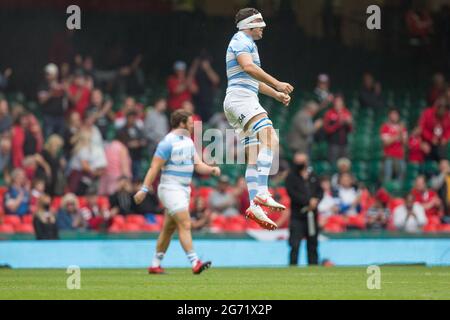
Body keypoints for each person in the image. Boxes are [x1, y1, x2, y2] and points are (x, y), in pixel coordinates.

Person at [223, 7, 293, 230]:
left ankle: (254, 204)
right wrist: (277, 83)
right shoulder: (242, 40)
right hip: (242, 100)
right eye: (260, 24)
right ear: (249, 25)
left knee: (253, 156)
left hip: (239, 99)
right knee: (271, 138)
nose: (263, 28)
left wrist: (276, 94)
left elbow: (251, 79)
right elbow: (248, 67)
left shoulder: (243, 41)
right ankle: (262, 192)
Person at [133, 110, 221, 275]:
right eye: (189, 122)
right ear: (181, 124)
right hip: (170, 188)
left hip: (183, 190)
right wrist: (143, 189)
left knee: (169, 228)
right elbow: (154, 167)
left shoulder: (187, 142)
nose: (192, 125)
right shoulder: (167, 142)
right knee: (185, 224)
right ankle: (195, 262)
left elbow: (197, 165)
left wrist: (211, 169)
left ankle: (155, 264)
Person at [285, 152, 322, 266]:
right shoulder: (291, 177)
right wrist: (308, 201)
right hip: (298, 216)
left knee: (313, 244)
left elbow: (320, 191)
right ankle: (293, 267)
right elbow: (293, 194)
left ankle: (313, 266)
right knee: (295, 245)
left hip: (311, 216)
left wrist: (316, 200)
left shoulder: (313, 176)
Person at [37, 63, 66, 138]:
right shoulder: (43, 85)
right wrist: (51, 92)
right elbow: (41, 101)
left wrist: (64, 88)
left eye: (50, 74)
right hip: (49, 117)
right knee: (48, 140)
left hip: (60, 117)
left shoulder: (61, 84)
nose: (48, 76)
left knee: (60, 140)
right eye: (47, 74)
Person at [191, 50, 221, 121]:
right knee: (197, 126)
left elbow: (216, 81)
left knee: (212, 125)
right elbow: (189, 83)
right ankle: (198, 132)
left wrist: (207, 68)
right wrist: (194, 65)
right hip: (197, 103)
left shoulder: (211, 69)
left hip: (209, 104)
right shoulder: (196, 70)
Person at [418, 95, 450, 162]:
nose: (442, 111)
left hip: (440, 143)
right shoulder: (427, 113)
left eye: (444, 109)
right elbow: (422, 128)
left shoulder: (447, 115)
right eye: (440, 108)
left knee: (444, 160)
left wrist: (445, 138)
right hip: (427, 142)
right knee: (427, 152)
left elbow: (448, 129)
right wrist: (430, 138)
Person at [323, 94, 352, 164]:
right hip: (333, 144)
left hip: (344, 144)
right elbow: (327, 129)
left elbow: (350, 129)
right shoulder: (329, 113)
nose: (338, 104)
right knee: (333, 163)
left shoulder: (346, 112)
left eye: (340, 102)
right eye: (337, 102)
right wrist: (338, 124)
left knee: (345, 164)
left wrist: (349, 123)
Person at [380, 108, 408, 182]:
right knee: (387, 178)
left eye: (396, 114)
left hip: (400, 156)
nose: (394, 116)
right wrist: (398, 134)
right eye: (392, 114)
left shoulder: (402, 128)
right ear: (389, 116)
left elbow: (405, 142)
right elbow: (386, 143)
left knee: (401, 178)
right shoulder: (385, 127)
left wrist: (400, 133)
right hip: (389, 157)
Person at [117, 110, 147, 179]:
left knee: (137, 178)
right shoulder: (122, 130)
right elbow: (120, 143)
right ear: (127, 118)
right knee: (128, 178)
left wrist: (139, 143)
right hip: (126, 158)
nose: (132, 120)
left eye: (133, 118)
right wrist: (129, 144)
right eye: (130, 118)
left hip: (137, 157)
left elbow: (144, 140)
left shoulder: (138, 129)